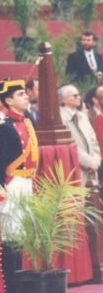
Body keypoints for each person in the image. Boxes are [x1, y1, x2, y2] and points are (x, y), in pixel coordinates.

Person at [0, 79, 38, 293]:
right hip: (12, 184)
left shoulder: (27, 121)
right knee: (11, 240)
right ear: (8, 100)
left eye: (25, 93)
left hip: (26, 182)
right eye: (20, 94)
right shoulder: (4, 127)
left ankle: (20, 288)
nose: (26, 96)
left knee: (21, 239)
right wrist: (0, 193)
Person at [60, 84, 102, 282]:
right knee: (77, 220)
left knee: (94, 219)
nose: (78, 98)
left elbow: (94, 142)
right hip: (76, 172)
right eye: (74, 95)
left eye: (78, 94)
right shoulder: (60, 117)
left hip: (91, 172)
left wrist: (96, 161)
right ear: (63, 99)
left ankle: (96, 265)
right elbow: (70, 145)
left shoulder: (83, 116)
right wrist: (88, 162)